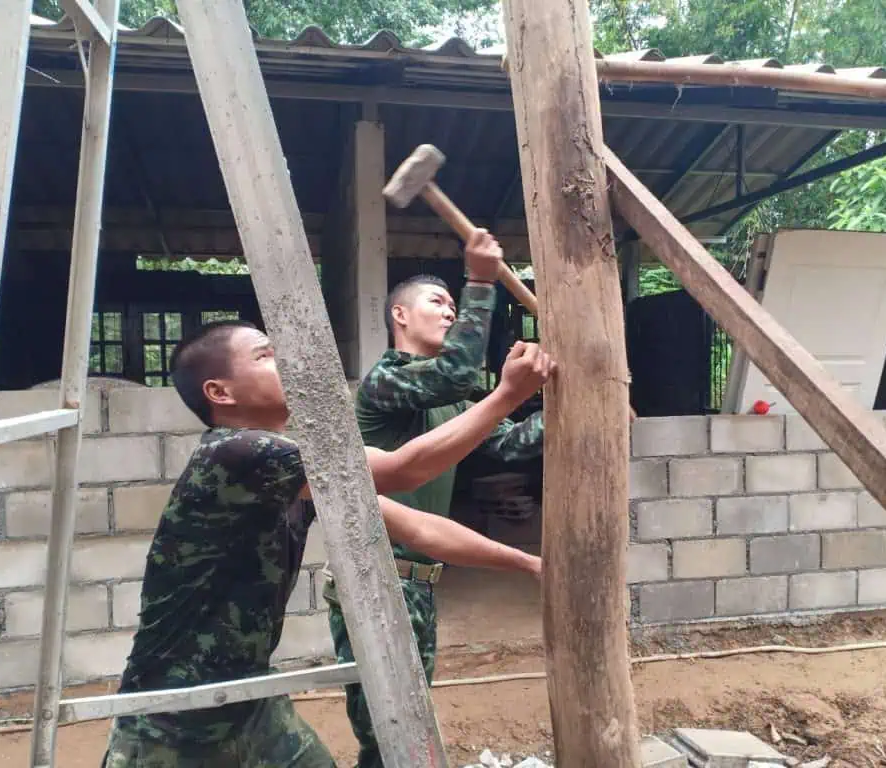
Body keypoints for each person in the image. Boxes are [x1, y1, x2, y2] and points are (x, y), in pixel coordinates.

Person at [101, 317, 556, 768]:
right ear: (221, 392)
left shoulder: (291, 470)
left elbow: (418, 528)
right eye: (265, 356)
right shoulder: (236, 452)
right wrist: (507, 396)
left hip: (251, 698)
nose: (287, 363)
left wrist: (531, 565)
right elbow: (404, 469)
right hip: (171, 716)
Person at [325, 230, 546, 768]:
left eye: (453, 305)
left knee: (408, 718)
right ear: (400, 315)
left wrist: (574, 400)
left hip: (419, 580)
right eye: (437, 302)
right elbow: (457, 374)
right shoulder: (385, 381)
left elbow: (510, 443)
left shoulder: (455, 402)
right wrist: (478, 280)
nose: (449, 313)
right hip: (377, 575)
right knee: (388, 727)